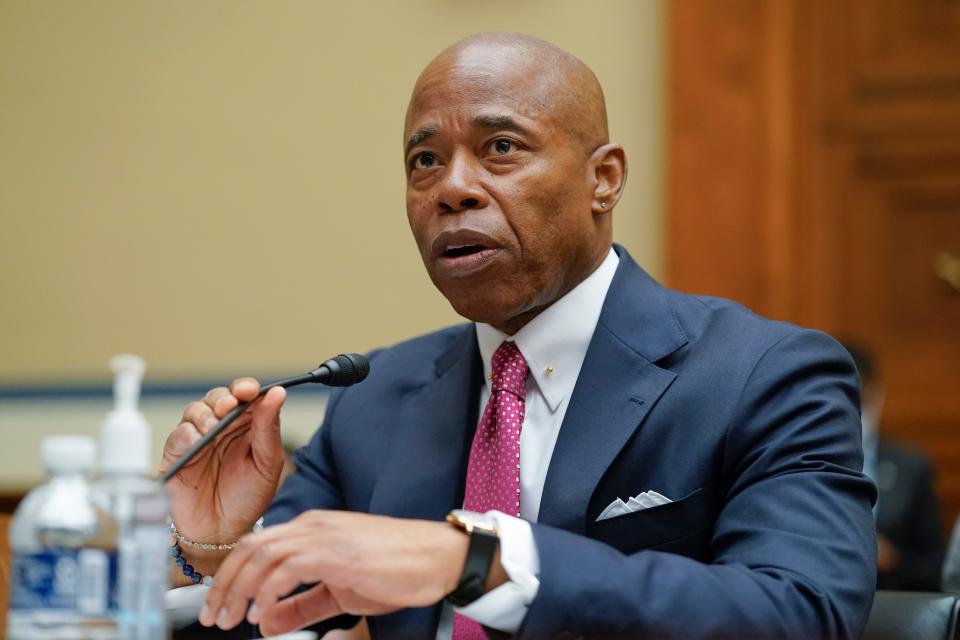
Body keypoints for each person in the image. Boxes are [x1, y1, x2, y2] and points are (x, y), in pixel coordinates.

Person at [161, 33, 877, 639]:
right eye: (424, 161)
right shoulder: (373, 399)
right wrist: (215, 546)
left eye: (500, 147)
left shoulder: (761, 373)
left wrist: (479, 561)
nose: (452, 188)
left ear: (605, 179)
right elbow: (281, 612)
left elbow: (803, 611)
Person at [844, 342, 944, 591]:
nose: (855, 411)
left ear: (878, 394)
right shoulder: (804, 461)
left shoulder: (911, 467)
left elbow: (936, 568)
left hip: (892, 604)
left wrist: (894, 560)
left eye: (862, 397)